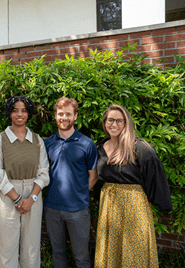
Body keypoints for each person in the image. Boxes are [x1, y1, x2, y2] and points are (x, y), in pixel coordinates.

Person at [94, 104, 172, 268]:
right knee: (111, 253)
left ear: (126, 123)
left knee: (134, 254)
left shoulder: (140, 148)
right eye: (110, 120)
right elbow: (97, 180)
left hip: (133, 210)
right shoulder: (101, 148)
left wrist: (161, 203)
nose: (114, 125)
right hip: (108, 209)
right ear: (104, 122)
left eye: (119, 121)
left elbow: (155, 178)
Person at [0, 96, 50, 268]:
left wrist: (31, 199)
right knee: (7, 248)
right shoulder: (0, 139)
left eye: (23, 110)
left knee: (31, 249)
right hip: (8, 194)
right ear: (9, 113)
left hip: (33, 194)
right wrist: (16, 198)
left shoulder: (37, 140)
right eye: (15, 110)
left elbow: (44, 173)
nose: (19, 114)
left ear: (29, 113)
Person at [43, 97, 98, 268]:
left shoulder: (87, 144)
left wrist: (78, 193)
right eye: (60, 114)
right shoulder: (47, 144)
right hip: (52, 208)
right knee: (57, 254)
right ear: (55, 116)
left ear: (75, 116)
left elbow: (93, 176)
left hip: (78, 210)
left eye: (68, 114)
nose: (64, 117)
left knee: (81, 257)